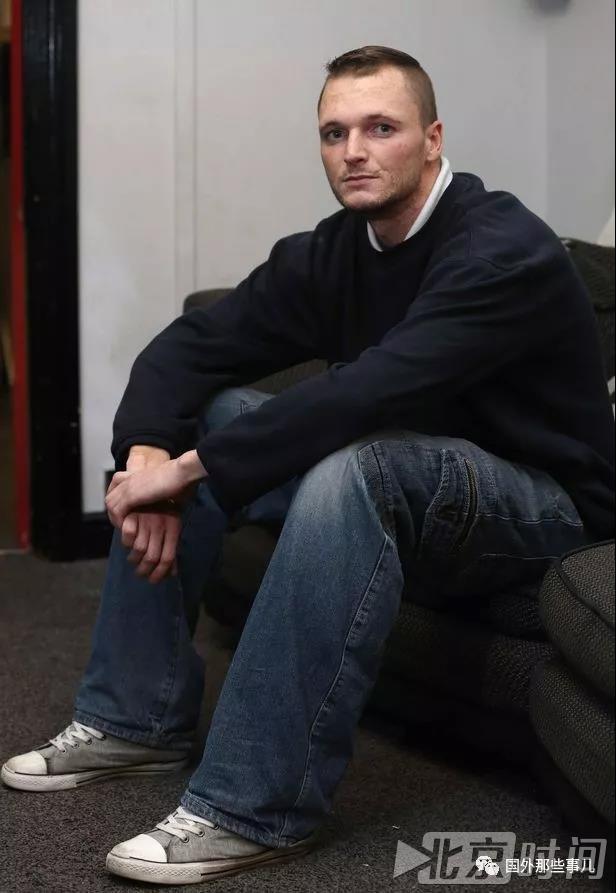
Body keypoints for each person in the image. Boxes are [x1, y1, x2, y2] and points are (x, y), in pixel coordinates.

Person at [2, 45, 614, 885]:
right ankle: (132, 719)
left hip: (545, 507)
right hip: (421, 478)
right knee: (213, 416)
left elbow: (373, 389)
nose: (354, 150)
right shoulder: (337, 251)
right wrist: (145, 449)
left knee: (351, 465)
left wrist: (189, 471)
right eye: (334, 132)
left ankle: (254, 805)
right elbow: (192, 346)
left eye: (381, 128)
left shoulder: (503, 250)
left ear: (433, 139)